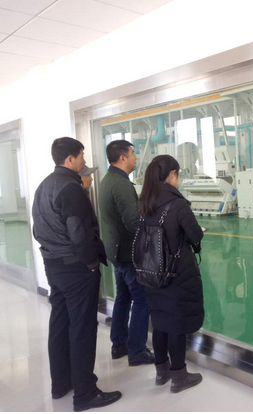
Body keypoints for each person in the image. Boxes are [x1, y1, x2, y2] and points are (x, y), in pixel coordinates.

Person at [32, 137, 122, 412]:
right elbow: (79, 233)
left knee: (60, 324)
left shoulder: (44, 185)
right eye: (81, 155)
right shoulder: (71, 188)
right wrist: (91, 264)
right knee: (82, 328)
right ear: (70, 159)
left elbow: (38, 229)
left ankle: (61, 383)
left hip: (54, 266)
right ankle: (85, 393)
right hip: (76, 269)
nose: (84, 160)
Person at [138, 155, 204, 393]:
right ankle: (179, 377)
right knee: (177, 323)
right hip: (177, 272)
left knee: (159, 322)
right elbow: (195, 235)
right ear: (173, 174)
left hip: (152, 271)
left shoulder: (145, 201)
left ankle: (161, 372)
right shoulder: (178, 204)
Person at [98, 140, 155, 366]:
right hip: (128, 253)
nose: (135, 157)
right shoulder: (121, 184)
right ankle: (137, 351)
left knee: (123, 297)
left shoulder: (107, 180)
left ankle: (119, 345)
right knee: (142, 300)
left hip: (116, 250)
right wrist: (154, 235)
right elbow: (133, 222)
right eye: (132, 153)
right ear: (123, 157)